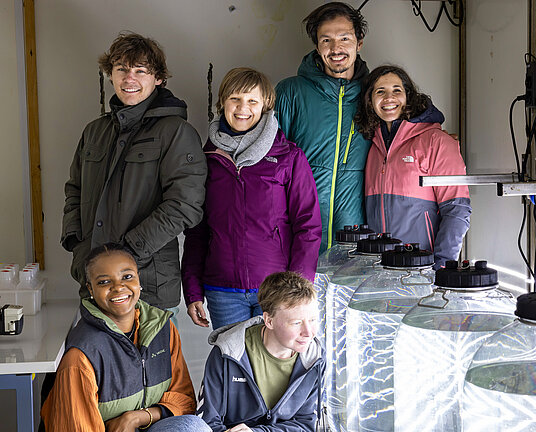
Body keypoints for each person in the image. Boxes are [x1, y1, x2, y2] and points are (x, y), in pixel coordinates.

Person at [61, 32, 207, 310]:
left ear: (159, 78)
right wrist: (78, 247)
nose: (130, 78)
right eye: (122, 69)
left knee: (152, 354)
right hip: (93, 280)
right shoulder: (94, 132)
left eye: (141, 71)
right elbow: (74, 191)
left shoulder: (176, 132)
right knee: (96, 354)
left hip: (147, 284)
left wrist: (124, 258)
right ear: (111, 75)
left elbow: (185, 205)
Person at [182, 67, 322, 330]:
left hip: (277, 291)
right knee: (234, 367)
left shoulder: (288, 157)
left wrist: (298, 288)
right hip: (222, 291)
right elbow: (196, 231)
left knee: (277, 366)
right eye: (235, 98)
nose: (242, 108)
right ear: (222, 102)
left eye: (252, 101)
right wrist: (192, 291)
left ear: (265, 105)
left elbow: (308, 226)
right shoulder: (206, 160)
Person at [40, 243, 209, 432]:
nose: (118, 287)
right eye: (104, 282)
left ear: (139, 279)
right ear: (90, 289)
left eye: (127, 277)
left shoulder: (163, 329)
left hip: (148, 426)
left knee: (194, 427)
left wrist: (136, 418)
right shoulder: (81, 355)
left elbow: (184, 401)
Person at [275, 2, 371, 252]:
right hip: (298, 236)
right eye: (326, 40)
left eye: (344, 38)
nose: (336, 48)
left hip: (356, 244)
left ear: (359, 42)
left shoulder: (374, 95)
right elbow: (270, 162)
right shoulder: (290, 91)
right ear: (317, 46)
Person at [356, 65, 471, 268]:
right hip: (380, 272)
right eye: (380, 91)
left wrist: (441, 266)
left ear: (409, 96)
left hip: (423, 270)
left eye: (397, 90)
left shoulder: (437, 141)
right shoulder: (372, 146)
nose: (389, 98)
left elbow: (457, 210)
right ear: (370, 100)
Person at [197, 272, 324, 431]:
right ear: (269, 321)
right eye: (296, 323)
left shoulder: (315, 358)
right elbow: (207, 422)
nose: (308, 332)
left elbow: (306, 424)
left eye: (313, 320)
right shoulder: (227, 353)